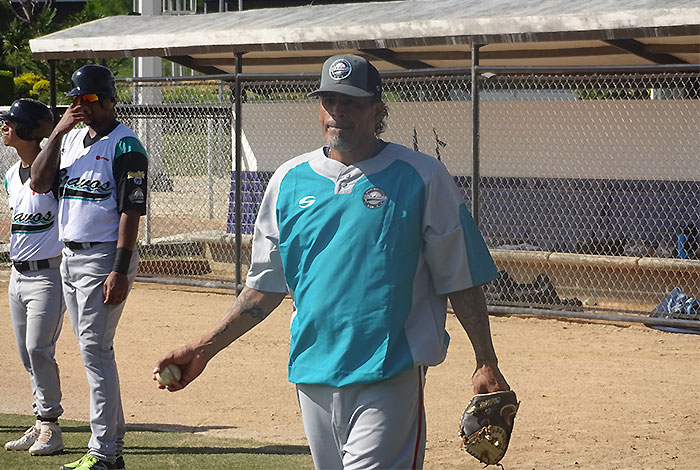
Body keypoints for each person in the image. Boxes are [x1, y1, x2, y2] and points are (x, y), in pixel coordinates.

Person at [154, 54, 510, 469]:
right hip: (312, 372)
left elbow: (460, 275)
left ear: (377, 110)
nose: (337, 111)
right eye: (329, 100)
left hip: (389, 372)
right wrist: (203, 348)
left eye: (351, 102)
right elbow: (263, 288)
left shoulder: (422, 176)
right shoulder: (287, 180)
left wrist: (486, 360)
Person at [30, 64, 148, 470]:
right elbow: (39, 182)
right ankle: (112, 443)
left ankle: (104, 452)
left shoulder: (126, 145)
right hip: (70, 256)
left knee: (95, 351)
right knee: (95, 351)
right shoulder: (73, 141)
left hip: (103, 258)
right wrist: (57, 132)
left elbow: (131, 211)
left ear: (110, 100)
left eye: (91, 99)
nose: (83, 106)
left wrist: (120, 268)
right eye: (77, 100)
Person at [2, 98, 65, 456]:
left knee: (38, 349)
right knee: (28, 356)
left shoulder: (55, 174)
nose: (4, 127)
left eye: (11, 122)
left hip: (48, 276)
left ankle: (51, 427)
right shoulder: (11, 174)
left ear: (28, 129)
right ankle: (40, 422)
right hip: (17, 276)